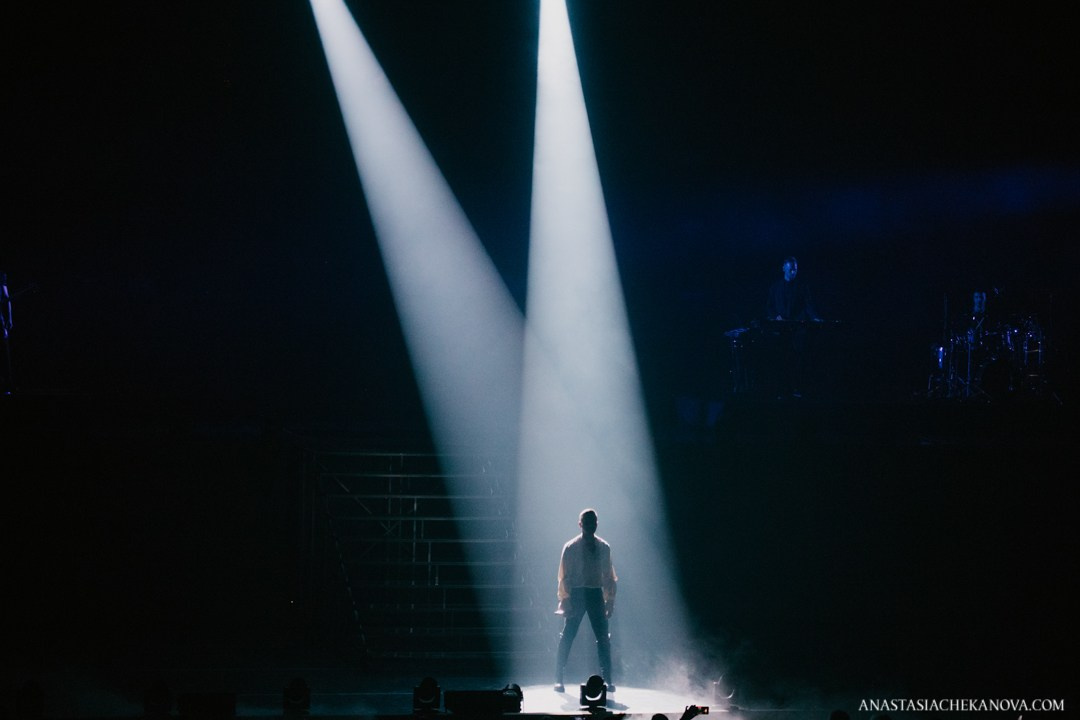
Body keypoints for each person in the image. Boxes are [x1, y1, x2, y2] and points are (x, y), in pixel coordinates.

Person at [554, 508, 617, 693]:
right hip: (577, 594)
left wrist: (609, 600)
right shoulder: (571, 547)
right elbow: (563, 576)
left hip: (595, 593)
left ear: (597, 523)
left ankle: (608, 678)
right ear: (580, 524)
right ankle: (558, 677)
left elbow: (609, 576)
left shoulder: (604, 547)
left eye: (593, 522)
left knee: (603, 638)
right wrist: (565, 599)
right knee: (568, 635)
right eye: (587, 523)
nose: (591, 526)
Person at [763, 257, 820, 398]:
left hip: (797, 329)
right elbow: (769, 307)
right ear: (784, 268)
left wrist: (815, 318)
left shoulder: (802, 287)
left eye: (795, 269)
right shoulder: (775, 287)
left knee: (797, 359)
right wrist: (776, 316)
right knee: (781, 359)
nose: (793, 272)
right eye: (791, 269)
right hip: (781, 330)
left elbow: (808, 305)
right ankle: (781, 390)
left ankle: (796, 389)